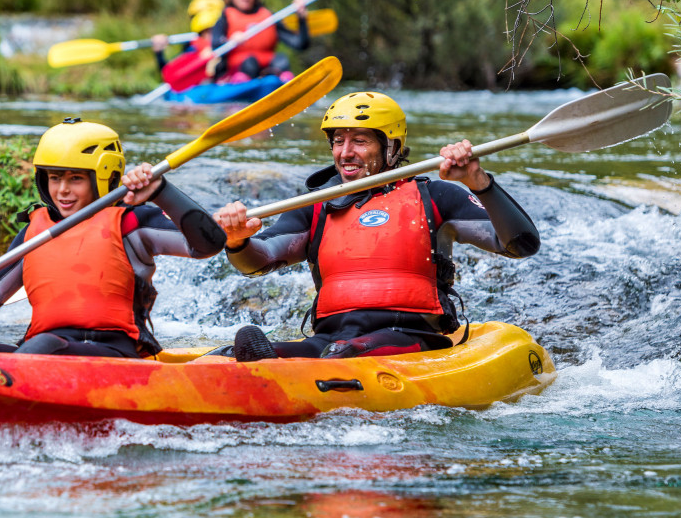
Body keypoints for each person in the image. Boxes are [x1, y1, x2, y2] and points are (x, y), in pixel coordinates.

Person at [212, 92, 541, 362]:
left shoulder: (436, 196)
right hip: (331, 337)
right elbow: (259, 259)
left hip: (409, 338)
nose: (345, 152)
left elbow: (520, 244)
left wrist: (477, 181)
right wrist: (238, 242)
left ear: (392, 147)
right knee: (232, 353)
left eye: (359, 141)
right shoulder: (317, 207)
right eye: (338, 140)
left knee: (342, 354)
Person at [0, 118, 226, 357]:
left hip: (117, 355)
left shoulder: (132, 222)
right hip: (42, 351)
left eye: (75, 179)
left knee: (44, 346)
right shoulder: (34, 233)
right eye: (54, 178)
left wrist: (161, 192)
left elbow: (208, 243)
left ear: (103, 177)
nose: (62, 190)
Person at [210, 0, 309, 83]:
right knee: (250, 62)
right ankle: (241, 83)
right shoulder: (225, 16)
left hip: (268, 71)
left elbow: (300, 44)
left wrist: (301, 19)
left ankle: (285, 83)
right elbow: (215, 46)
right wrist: (229, 41)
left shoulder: (270, 17)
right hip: (237, 70)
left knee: (281, 59)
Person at [152, 6, 221, 82]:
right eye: (207, 32)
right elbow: (170, 74)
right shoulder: (192, 49)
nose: (211, 36)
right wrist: (159, 53)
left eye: (214, 31)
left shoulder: (226, 45)